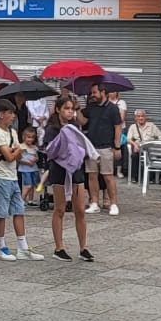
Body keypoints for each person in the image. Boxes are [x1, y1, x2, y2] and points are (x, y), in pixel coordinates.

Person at [43, 96, 95, 261]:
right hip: (59, 171)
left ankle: (83, 247)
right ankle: (59, 247)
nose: (70, 112)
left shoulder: (74, 127)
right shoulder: (52, 129)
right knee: (60, 209)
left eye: (72, 109)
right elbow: (50, 150)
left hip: (76, 171)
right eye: (66, 108)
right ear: (58, 109)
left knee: (79, 209)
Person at [0, 103, 42, 260]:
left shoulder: (12, 132)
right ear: (1, 114)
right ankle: (0, 246)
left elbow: (16, 156)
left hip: (12, 175)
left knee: (19, 210)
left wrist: (16, 149)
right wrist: (20, 147)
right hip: (1, 176)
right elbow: (11, 155)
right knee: (2, 213)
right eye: (10, 113)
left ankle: (23, 247)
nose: (13, 116)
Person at [82, 87, 121, 215]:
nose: (92, 95)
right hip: (91, 146)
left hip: (106, 146)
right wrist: (77, 109)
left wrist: (117, 147)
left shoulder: (113, 108)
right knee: (92, 176)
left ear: (103, 92)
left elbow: (118, 127)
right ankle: (94, 203)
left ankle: (113, 203)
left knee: (108, 176)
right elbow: (83, 121)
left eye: (94, 92)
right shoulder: (91, 107)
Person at [124, 107, 161, 184]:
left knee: (152, 156)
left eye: (142, 116)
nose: (141, 118)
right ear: (135, 118)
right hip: (139, 147)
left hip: (150, 149)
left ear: (145, 117)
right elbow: (128, 139)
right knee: (134, 155)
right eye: (138, 116)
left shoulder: (151, 125)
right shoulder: (133, 127)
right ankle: (135, 177)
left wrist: (156, 145)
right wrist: (134, 144)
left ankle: (151, 178)